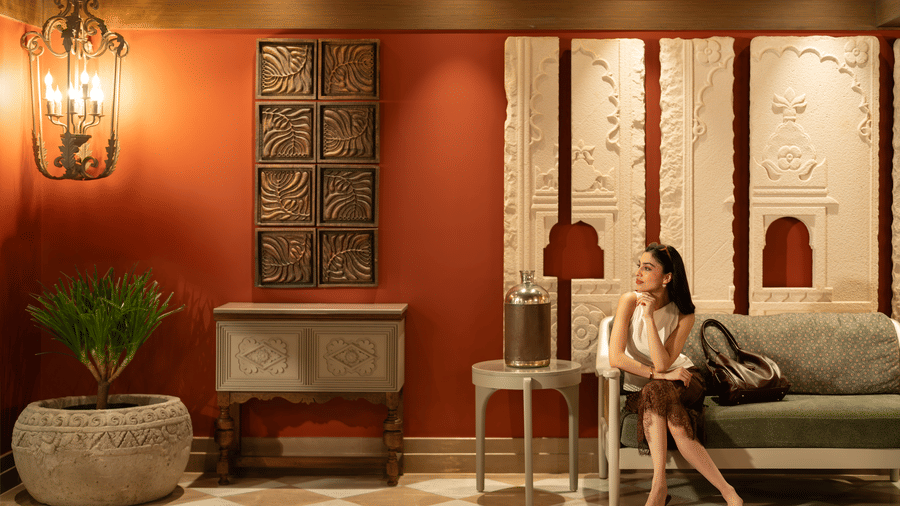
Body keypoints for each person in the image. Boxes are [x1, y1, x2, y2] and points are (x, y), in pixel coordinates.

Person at [608, 243, 742, 506]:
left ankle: (658, 488)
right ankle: (727, 490)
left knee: (656, 391)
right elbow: (616, 358)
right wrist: (658, 377)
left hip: (684, 378)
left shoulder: (684, 314)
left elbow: (662, 363)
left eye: (648, 268)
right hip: (651, 385)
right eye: (639, 266)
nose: (639, 273)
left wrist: (648, 319)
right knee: (655, 391)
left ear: (667, 277)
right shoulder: (628, 301)